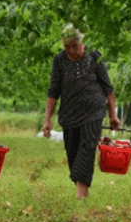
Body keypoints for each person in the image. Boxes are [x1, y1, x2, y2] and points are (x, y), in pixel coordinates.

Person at [42, 24, 120, 200]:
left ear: (81, 43)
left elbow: (108, 88)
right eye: (66, 46)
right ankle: (82, 187)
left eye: (74, 46)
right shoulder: (60, 60)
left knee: (87, 147)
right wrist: (47, 120)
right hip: (69, 114)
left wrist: (112, 114)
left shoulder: (94, 56)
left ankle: (81, 194)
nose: (70, 50)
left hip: (94, 111)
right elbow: (53, 91)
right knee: (72, 152)